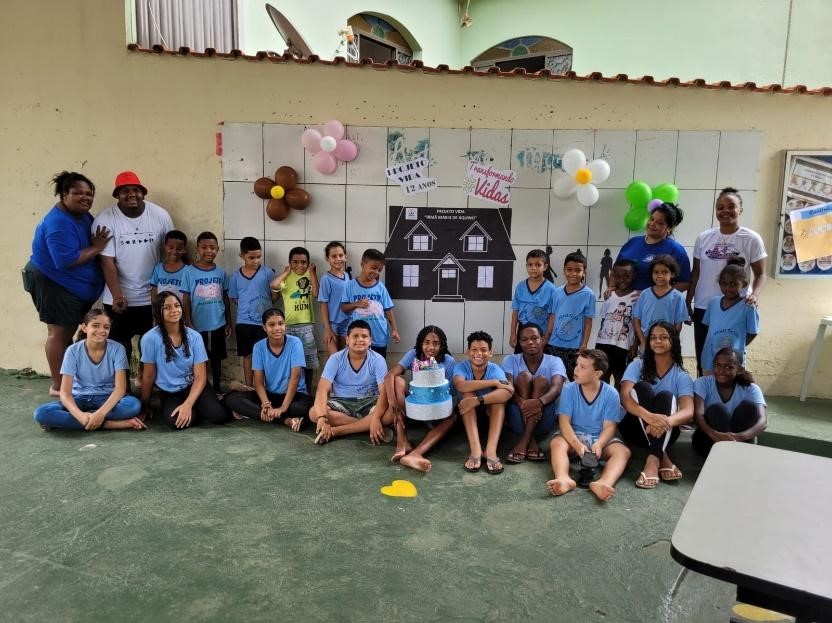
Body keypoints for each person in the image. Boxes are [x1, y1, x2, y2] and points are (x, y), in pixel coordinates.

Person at [24, 171, 109, 396]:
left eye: (89, 193)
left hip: (72, 287)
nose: (85, 197)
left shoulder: (81, 215)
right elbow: (65, 260)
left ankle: (68, 381)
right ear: (63, 195)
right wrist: (97, 248)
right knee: (59, 334)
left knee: (68, 331)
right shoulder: (58, 222)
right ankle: (59, 386)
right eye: (78, 193)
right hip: (54, 282)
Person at [92, 171, 174, 371]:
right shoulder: (105, 219)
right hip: (119, 297)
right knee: (120, 345)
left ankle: (146, 381)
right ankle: (122, 383)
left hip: (152, 295)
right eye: (125, 191)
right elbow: (106, 261)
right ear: (117, 195)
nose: (131, 194)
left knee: (152, 344)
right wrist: (117, 295)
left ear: (143, 192)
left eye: (136, 190)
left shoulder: (160, 215)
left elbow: (172, 249)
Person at [687, 188, 767, 375]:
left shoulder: (751, 239)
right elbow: (696, 271)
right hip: (704, 306)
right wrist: (688, 300)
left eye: (731, 206)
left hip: (736, 308)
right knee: (704, 360)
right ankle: (705, 391)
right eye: (720, 207)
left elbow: (761, 274)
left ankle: (730, 392)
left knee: (730, 360)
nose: (725, 211)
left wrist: (755, 295)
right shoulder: (704, 238)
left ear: (740, 209)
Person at [33, 308, 144, 431]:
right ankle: (111, 424)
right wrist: (79, 416)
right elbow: (65, 393)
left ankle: (77, 421)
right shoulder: (73, 351)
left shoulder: (118, 349)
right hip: (79, 398)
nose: (101, 331)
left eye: (106, 327)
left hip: (107, 398)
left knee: (133, 406)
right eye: (95, 325)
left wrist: (100, 414)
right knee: (41, 413)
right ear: (84, 328)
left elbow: (120, 389)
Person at [546, 349, 631, 502]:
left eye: (583, 367)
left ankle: (604, 482)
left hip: (600, 438)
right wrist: (577, 445)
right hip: (573, 436)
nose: (576, 369)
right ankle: (564, 478)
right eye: (577, 365)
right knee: (557, 443)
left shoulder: (611, 393)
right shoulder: (569, 389)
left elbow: (609, 427)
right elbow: (564, 423)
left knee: (623, 452)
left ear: (597, 374)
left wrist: (600, 444)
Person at [619, 321, 694, 489]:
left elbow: (688, 411)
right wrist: (648, 416)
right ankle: (661, 454)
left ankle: (653, 460)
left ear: (673, 341)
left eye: (663, 337)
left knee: (666, 396)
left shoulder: (681, 376)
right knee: (643, 388)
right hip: (633, 430)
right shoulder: (637, 365)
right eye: (653, 337)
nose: (657, 341)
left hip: (666, 431)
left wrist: (664, 422)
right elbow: (624, 396)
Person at [139, 291, 228, 429]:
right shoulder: (150, 338)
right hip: (169, 392)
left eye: (177, 305)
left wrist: (188, 404)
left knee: (218, 416)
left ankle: (208, 406)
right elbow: (149, 375)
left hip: (194, 385)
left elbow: (200, 376)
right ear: (158, 312)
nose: (174, 310)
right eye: (167, 307)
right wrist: (145, 405)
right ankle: (199, 410)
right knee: (175, 422)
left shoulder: (195, 337)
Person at [223, 308, 312, 432]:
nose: (277, 328)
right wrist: (266, 404)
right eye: (271, 325)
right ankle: (286, 420)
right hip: (271, 395)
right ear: (264, 328)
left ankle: (256, 413)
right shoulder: (259, 347)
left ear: (285, 325)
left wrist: (283, 408)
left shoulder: (295, 343)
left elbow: (295, 378)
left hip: (295, 396)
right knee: (232, 399)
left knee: (301, 408)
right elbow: (258, 382)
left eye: (280, 323)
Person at [385, 325, 457, 472]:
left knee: (453, 417)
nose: (431, 347)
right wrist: (392, 401)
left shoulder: (448, 361)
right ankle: (402, 440)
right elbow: (390, 375)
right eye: (427, 342)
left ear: (442, 345)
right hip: (414, 408)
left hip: (437, 412)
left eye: (436, 343)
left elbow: (450, 393)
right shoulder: (414, 354)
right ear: (420, 343)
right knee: (397, 381)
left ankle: (416, 453)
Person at [309, 320, 393, 444]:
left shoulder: (377, 360)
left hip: (370, 401)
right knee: (313, 413)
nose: (360, 339)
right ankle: (368, 425)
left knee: (391, 413)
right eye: (355, 336)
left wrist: (375, 416)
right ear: (347, 339)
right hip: (342, 402)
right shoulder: (336, 359)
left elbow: (384, 392)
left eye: (364, 336)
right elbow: (322, 389)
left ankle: (338, 431)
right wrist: (322, 417)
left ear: (370, 340)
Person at [502, 323, 566, 463]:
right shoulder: (510, 360)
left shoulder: (555, 361)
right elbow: (507, 386)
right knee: (524, 377)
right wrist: (523, 403)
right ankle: (530, 441)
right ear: (519, 342)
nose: (530, 342)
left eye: (534, 338)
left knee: (542, 381)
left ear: (542, 339)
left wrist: (538, 402)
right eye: (524, 339)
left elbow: (557, 388)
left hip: (543, 420)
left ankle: (524, 440)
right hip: (518, 419)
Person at [453, 331, 514, 475]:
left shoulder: (495, 369)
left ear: (490, 353)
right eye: (474, 349)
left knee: (498, 402)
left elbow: (508, 391)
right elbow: (461, 385)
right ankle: (475, 450)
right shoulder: (461, 366)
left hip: (489, 417)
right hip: (466, 416)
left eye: (483, 350)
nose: (478, 353)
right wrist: (494, 382)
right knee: (467, 395)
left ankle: (491, 451)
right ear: (468, 351)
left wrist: (477, 400)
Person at [692, 348, 767, 456]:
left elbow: (762, 421)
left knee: (749, 407)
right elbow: (698, 414)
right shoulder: (702, 383)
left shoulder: (751, 388)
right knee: (716, 409)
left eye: (729, 367)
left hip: (739, 441)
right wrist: (714, 434)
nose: (721, 370)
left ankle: (733, 452)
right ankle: (732, 454)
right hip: (710, 440)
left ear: (739, 369)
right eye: (718, 365)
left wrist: (741, 436)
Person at [181, 232, 231, 390]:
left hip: (218, 323)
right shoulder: (188, 271)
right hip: (197, 324)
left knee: (217, 357)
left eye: (212, 248)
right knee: (198, 358)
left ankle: (217, 388)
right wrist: (187, 321)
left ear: (217, 249)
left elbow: (225, 298)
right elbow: (186, 299)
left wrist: (228, 322)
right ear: (197, 249)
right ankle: (199, 388)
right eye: (204, 247)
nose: (209, 251)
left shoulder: (221, 273)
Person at [228, 237, 275, 387]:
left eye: (259, 257)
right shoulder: (235, 276)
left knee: (265, 355)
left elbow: (274, 297)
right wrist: (247, 306)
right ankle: (249, 387)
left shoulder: (268, 273)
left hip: (265, 323)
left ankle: (264, 387)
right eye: (251, 258)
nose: (256, 261)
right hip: (244, 322)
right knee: (247, 355)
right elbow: (234, 298)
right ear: (242, 256)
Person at [271, 246, 318, 392]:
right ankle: (292, 391)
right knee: (291, 361)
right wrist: (286, 272)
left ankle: (307, 392)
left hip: (306, 325)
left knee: (308, 361)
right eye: (295, 262)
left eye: (303, 262)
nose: (300, 265)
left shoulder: (309, 275)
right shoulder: (286, 277)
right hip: (289, 326)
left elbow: (316, 293)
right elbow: (274, 285)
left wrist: (313, 273)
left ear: (308, 263)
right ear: (290, 263)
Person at [700, 259, 760, 375]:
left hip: (733, 359)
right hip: (709, 358)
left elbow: (753, 332)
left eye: (733, 284)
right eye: (724, 284)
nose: (728, 288)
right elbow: (708, 327)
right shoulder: (713, 303)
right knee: (709, 383)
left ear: (744, 284)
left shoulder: (748, 306)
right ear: (719, 284)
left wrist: (738, 345)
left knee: (730, 384)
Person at [615, 202, 691, 291]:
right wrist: (611, 288)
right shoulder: (632, 242)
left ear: (669, 228)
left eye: (660, 223)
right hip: (622, 298)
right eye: (652, 219)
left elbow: (684, 283)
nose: (652, 224)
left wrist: (654, 295)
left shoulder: (676, 250)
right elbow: (615, 271)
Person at [340, 248, 400, 358]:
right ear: (362, 264)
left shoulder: (380, 287)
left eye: (379, 270)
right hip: (359, 339)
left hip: (379, 337)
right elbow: (343, 308)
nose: (376, 272)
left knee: (379, 366)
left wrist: (394, 330)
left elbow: (388, 309)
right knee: (358, 364)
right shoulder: (350, 286)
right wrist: (356, 304)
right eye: (373, 268)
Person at [548, 250, 595, 380]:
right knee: (554, 377)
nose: (573, 273)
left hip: (575, 347)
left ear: (584, 272)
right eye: (569, 269)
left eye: (578, 270)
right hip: (554, 344)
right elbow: (552, 317)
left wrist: (584, 344)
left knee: (574, 377)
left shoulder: (588, 294)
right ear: (564, 270)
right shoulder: (557, 292)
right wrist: (547, 337)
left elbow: (588, 321)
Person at [595, 258, 639, 388]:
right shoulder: (609, 296)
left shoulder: (637, 297)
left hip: (624, 346)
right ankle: (604, 399)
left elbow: (638, 323)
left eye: (627, 276)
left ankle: (620, 401)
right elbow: (604, 320)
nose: (622, 280)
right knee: (602, 376)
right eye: (618, 276)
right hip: (603, 344)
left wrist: (635, 344)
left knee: (621, 378)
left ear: (634, 276)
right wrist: (598, 342)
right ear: (613, 276)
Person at [632, 255, 688, 354]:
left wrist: (671, 342)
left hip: (666, 344)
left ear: (672, 274)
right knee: (647, 364)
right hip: (647, 343)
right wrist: (643, 341)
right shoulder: (644, 294)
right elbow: (636, 319)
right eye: (656, 272)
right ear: (651, 274)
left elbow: (678, 324)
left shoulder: (678, 297)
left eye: (664, 272)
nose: (660, 275)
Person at [509, 249, 556, 351]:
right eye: (530, 265)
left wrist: (546, 337)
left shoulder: (551, 289)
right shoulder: (520, 286)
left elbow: (552, 316)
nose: (533, 268)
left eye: (538, 265)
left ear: (545, 267)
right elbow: (515, 312)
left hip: (541, 332)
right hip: (522, 330)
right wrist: (513, 334)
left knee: (539, 359)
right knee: (521, 358)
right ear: (526, 266)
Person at [318, 241, 351, 355]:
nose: (338, 259)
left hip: (347, 322)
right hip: (332, 324)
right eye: (334, 256)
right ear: (327, 259)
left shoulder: (347, 276)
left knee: (345, 356)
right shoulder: (326, 279)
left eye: (341, 255)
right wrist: (327, 329)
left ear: (345, 257)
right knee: (334, 358)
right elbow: (323, 305)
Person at [149, 230, 188, 304]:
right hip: (162, 310)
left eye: (179, 249)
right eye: (171, 248)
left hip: (179, 310)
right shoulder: (158, 268)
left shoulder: (188, 271)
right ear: (165, 247)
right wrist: (154, 309)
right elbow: (154, 292)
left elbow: (187, 296)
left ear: (184, 249)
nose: (174, 251)